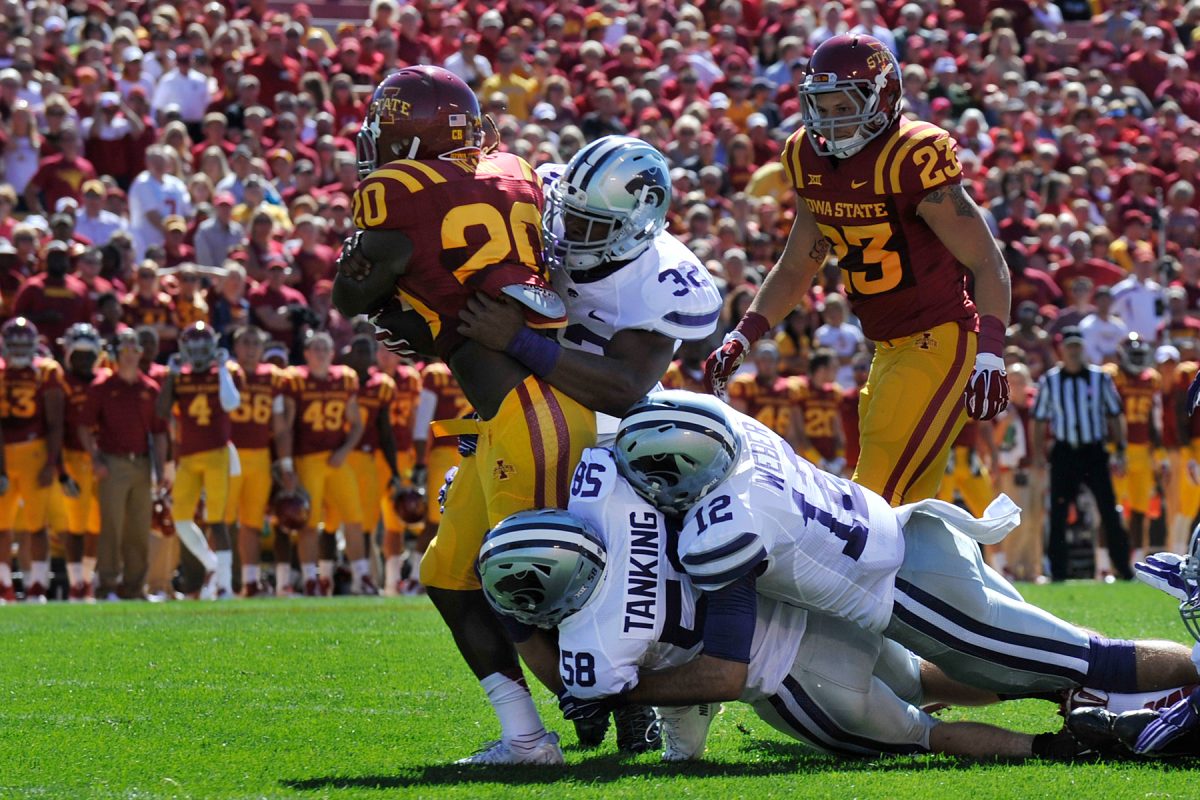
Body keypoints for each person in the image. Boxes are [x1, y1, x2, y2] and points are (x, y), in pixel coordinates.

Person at [334, 70, 717, 764]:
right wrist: (431, 318)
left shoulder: (661, 272)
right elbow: (461, 274)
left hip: (553, 409)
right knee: (448, 575)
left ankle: (620, 701)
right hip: (521, 410)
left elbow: (351, 292)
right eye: (576, 219)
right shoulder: (518, 177)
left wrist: (496, 333)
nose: (576, 234)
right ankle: (527, 737)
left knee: (528, 581)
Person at [609, 390, 1200, 701]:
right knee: (1025, 669)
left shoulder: (725, 525)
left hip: (913, 590)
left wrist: (624, 694)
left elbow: (723, 673)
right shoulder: (737, 429)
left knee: (1089, 658)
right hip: (914, 532)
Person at [479, 472, 1084, 761]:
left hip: (797, 681)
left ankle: (1057, 750)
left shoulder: (599, 642)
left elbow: (679, 694)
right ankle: (1066, 685)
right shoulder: (622, 510)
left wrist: (655, 730)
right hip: (820, 618)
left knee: (926, 734)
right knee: (925, 679)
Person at [704, 34, 1012, 507]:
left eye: (842, 103)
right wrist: (744, 334)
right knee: (907, 510)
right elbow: (797, 265)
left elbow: (987, 261)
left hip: (940, 340)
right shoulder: (807, 156)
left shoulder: (911, 157)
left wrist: (991, 353)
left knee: (870, 501)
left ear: (882, 96)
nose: (829, 119)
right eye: (820, 105)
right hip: (886, 350)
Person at [1033, 326, 1134, 581]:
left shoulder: (1100, 378)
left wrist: (1120, 448)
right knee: (1058, 513)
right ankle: (1058, 572)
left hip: (1094, 451)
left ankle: (1122, 567)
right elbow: (1038, 421)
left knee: (1109, 510)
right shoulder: (1050, 380)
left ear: (1083, 348)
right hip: (1064, 451)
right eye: (1070, 347)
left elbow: (1115, 414)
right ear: (1061, 350)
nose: (1074, 351)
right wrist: (1038, 455)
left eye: (1078, 346)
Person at [78, 329, 167, 601]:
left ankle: (135, 587)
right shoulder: (102, 388)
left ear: (141, 354)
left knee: (139, 529)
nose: (130, 356)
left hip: (141, 463)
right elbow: (84, 426)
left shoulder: (150, 388)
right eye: (125, 351)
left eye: (134, 351)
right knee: (111, 527)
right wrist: (95, 459)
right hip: (112, 462)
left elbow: (160, 432)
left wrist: (161, 471)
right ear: (116, 356)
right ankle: (106, 585)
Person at [156, 322, 243, 599]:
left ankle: (226, 586)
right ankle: (212, 565)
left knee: (218, 520)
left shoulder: (225, 373)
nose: (197, 354)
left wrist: (221, 371)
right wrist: (170, 375)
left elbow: (231, 403)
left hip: (217, 453)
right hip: (189, 457)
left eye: (202, 349)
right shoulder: (179, 377)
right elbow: (161, 411)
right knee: (180, 518)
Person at [275, 330, 364, 596]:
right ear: (306, 354)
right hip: (308, 459)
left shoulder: (345, 379)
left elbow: (357, 423)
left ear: (332, 353)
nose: (321, 354)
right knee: (309, 522)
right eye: (315, 349)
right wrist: (287, 466)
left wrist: (345, 450)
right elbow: (285, 428)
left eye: (325, 349)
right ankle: (309, 578)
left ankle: (362, 576)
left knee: (354, 517)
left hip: (336, 459)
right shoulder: (295, 380)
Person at [320, 333, 403, 596]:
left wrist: (395, 469)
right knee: (330, 523)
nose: (363, 358)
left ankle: (362, 578)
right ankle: (323, 579)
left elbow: (385, 430)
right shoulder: (339, 380)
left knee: (366, 525)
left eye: (367, 352)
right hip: (338, 459)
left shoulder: (382, 385)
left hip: (367, 459)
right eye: (358, 352)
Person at [0, 317, 64, 603]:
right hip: (3, 453)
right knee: (2, 527)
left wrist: (51, 461)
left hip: (33, 451)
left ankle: (37, 585)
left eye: (24, 344)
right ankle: (4, 587)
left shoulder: (46, 371)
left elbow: (55, 421)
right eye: (14, 345)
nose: (19, 350)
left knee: (37, 525)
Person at [225, 326, 287, 596]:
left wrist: (284, 464)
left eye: (255, 343)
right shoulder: (225, 373)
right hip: (228, 454)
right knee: (222, 520)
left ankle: (250, 580)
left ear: (262, 349)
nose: (250, 348)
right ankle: (221, 577)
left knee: (251, 522)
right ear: (236, 347)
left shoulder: (272, 378)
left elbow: (280, 425)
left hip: (260, 456)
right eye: (245, 342)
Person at [1107, 334, 1168, 564]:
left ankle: (1136, 562)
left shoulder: (1152, 379)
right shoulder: (1114, 376)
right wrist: (1112, 448)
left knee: (1141, 510)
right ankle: (1107, 564)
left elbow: (1154, 418)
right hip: (1118, 448)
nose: (1137, 359)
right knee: (1114, 510)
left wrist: (1160, 453)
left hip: (1143, 451)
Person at [58, 323, 105, 601]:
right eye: (79, 355)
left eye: (90, 355)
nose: (85, 361)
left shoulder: (105, 380)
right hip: (72, 457)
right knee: (75, 526)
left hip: (101, 459)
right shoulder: (62, 383)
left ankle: (87, 580)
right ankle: (76, 582)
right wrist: (61, 468)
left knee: (96, 527)